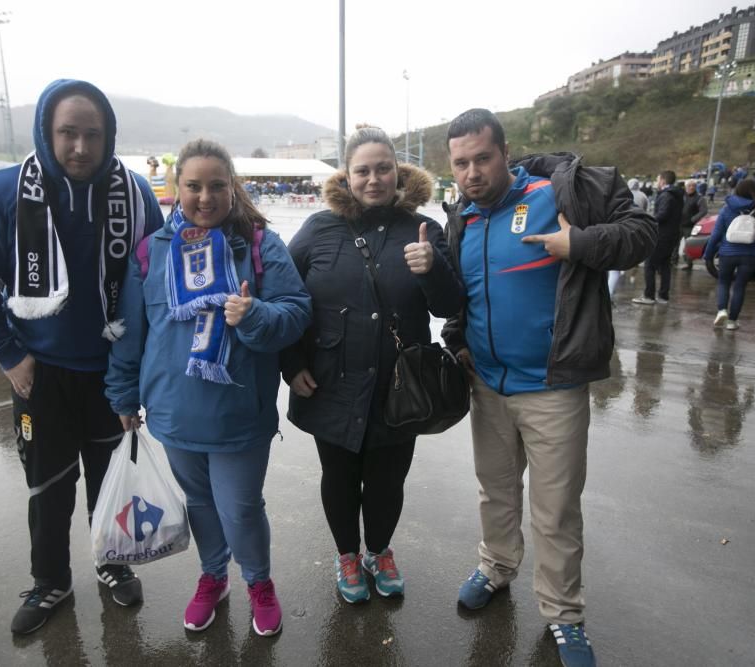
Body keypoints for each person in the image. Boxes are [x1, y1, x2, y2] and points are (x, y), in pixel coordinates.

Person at [441, 109, 655, 667]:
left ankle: (563, 613)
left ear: (505, 152)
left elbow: (642, 235)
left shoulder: (558, 192)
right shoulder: (460, 218)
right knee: (496, 490)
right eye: (461, 163)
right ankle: (496, 567)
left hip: (553, 387)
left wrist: (577, 243)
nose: (472, 172)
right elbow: (462, 295)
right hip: (486, 385)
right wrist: (459, 341)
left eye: (482, 158)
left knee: (555, 509)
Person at [0, 79, 163, 635]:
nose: (80, 147)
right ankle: (51, 582)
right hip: (38, 375)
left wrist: (143, 371)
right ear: (47, 132)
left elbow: (157, 280)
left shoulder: (136, 194)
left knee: (109, 479)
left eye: (92, 134)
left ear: (108, 136)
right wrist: (8, 355)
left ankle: (112, 563)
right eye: (68, 133)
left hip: (111, 374)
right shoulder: (1, 193)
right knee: (48, 486)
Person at [105, 138, 311, 637]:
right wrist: (123, 394)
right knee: (200, 503)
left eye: (217, 185)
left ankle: (258, 582)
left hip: (239, 410)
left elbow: (297, 311)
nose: (205, 197)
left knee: (240, 507)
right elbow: (132, 329)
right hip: (174, 412)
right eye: (193, 185)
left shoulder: (259, 244)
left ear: (232, 187)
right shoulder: (152, 252)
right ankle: (213, 576)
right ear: (178, 188)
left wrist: (255, 315)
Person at [281, 125, 463, 604]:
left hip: (398, 387)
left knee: (387, 481)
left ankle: (379, 550)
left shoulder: (424, 230)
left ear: (398, 173)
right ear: (347, 175)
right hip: (329, 382)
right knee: (338, 479)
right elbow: (284, 295)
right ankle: (347, 556)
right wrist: (291, 362)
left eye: (384, 168)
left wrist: (433, 268)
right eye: (363, 170)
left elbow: (448, 305)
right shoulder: (319, 228)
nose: (374, 179)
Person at [703, 178, 755, 331]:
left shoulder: (726, 208)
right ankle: (732, 322)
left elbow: (715, 235)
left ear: (737, 190)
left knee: (723, 282)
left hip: (727, 253)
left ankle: (722, 310)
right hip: (751, 255)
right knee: (740, 287)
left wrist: (708, 254)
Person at [633, 170, 682, 305]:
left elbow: (663, 214)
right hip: (671, 235)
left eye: (657, 179)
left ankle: (649, 296)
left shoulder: (667, 195)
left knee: (649, 264)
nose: (656, 182)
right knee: (664, 265)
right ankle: (663, 296)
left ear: (663, 181)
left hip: (662, 236)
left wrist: (647, 219)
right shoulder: (676, 194)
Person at [678, 179, 708, 269]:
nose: (691, 187)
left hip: (690, 225)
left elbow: (704, 211)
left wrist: (692, 219)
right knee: (675, 244)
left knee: (689, 245)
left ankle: (689, 263)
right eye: (689, 186)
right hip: (679, 224)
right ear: (686, 187)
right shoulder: (681, 196)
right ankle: (673, 261)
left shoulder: (699, 198)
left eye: (693, 186)